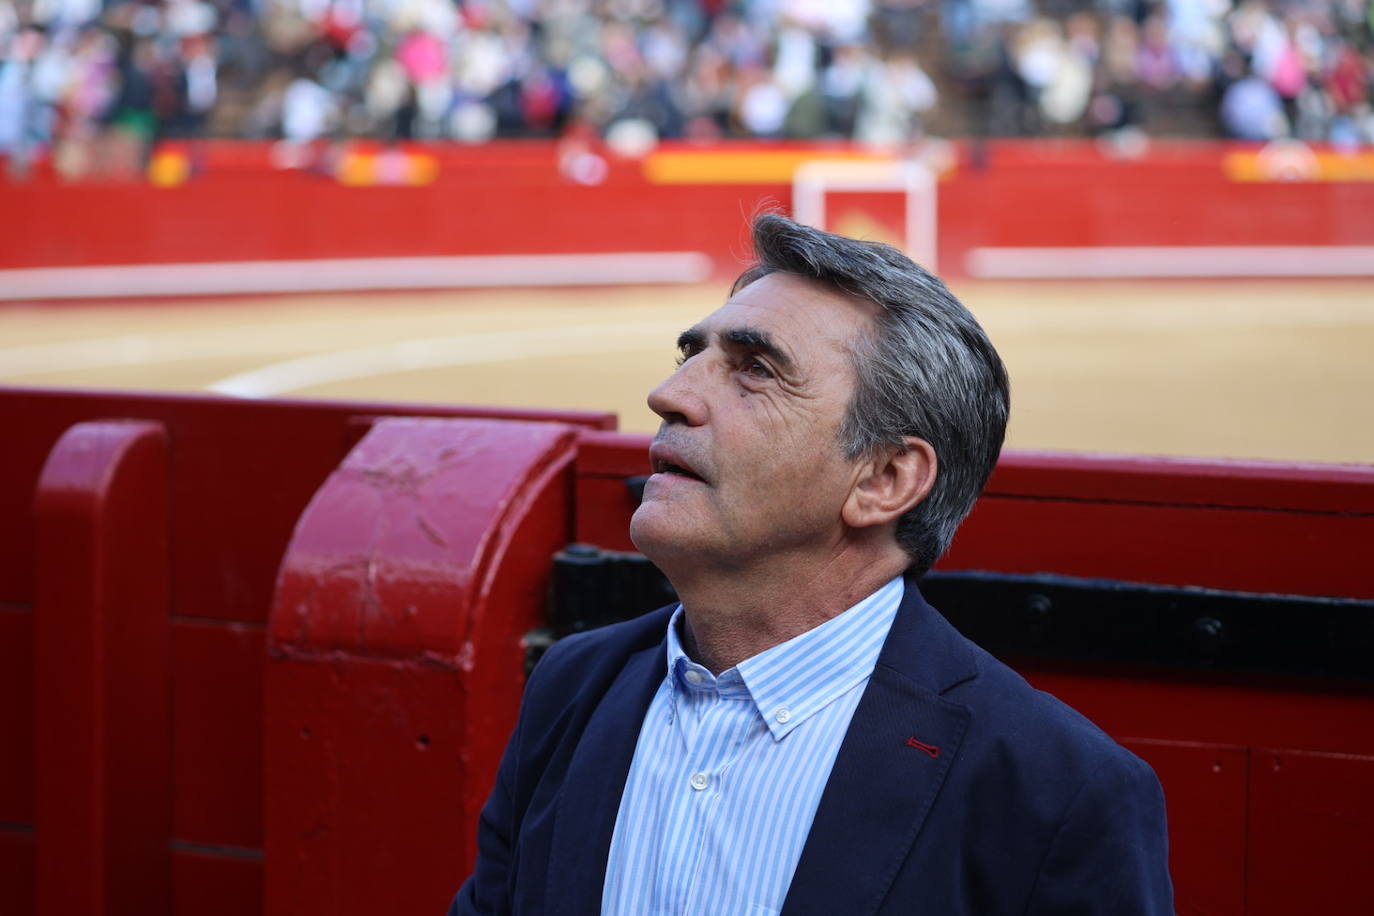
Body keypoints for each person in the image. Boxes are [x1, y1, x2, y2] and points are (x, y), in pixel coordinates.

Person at [449, 213, 1173, 915]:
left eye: (755, 370)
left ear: (883, 480)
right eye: (689, 357)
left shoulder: (1056, 790)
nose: (669, 396)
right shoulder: (574, 687)